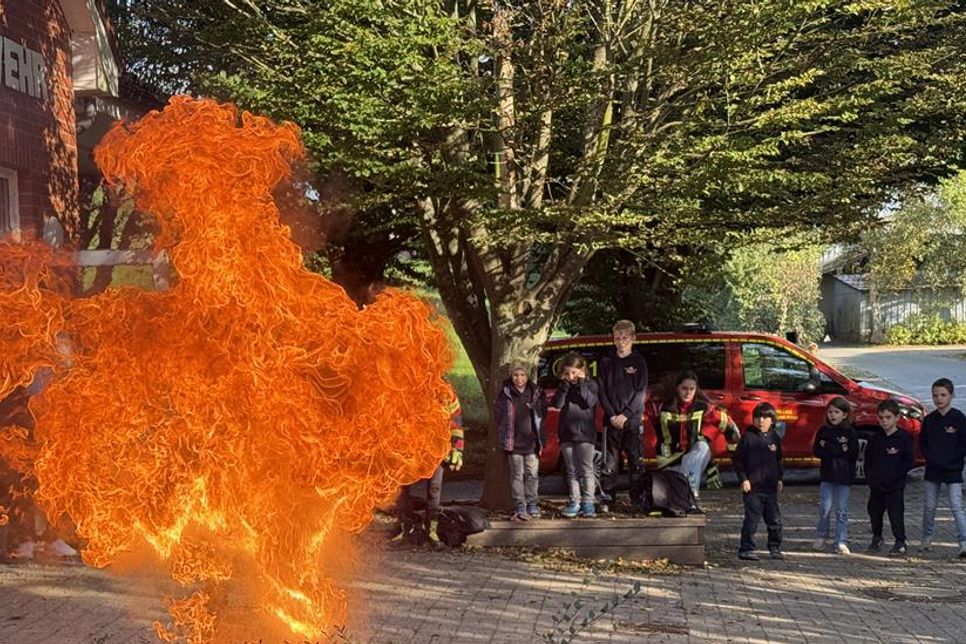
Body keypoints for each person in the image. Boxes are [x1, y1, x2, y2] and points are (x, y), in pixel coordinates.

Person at [654, 371, 738, 512]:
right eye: (684, 388)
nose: (688, 393)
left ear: (696, 389)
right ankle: (684, 497)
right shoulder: (660, 407)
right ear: (677, 388)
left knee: (702, 446)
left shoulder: (702, 407)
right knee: (670, 494)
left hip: (693, 459)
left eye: (692, 389)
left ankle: (690, 496)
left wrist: (735, 454)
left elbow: (728, 425)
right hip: (669, 462)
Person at [394, 384, 465, 547]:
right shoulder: (410, 386)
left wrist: (457, 449)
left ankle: (431, 530)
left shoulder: (447, 393)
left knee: (434, 490)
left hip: (437, 451)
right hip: (411, 450)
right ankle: (406, 527)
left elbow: (456, 423)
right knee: (403, 488)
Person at [598, 320, 648, 513]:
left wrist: (625, 415)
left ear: (633, 338)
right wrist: (612, 414)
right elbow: (601, 391)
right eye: (617, 338)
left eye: (625, 338)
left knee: (636, 462)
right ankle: (608, 499)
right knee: (609, 462)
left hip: (632, 420)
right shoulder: (606, 361)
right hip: (610, 420)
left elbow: (641, 392)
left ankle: (637, 499)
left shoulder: (639, 362)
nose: (621, 342)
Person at [919, 378, 966, 556]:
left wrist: (954, 461)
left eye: (943, 395)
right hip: (933, 469)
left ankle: (963, 542)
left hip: (953, 470)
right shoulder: (930, 420)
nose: (939, 399)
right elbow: (923, 444)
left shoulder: (959, 418)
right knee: (930, 506)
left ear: (951, 396)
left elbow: (963, 444)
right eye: (935, 395)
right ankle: (926, 538)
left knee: (956, 506)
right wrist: (931, 458)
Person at [497, 361, 546, 521]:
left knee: (532, 474)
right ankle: (520, 504)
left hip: (531, 441)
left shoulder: (536, 392)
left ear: (528, 376)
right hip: (513, 442)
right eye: (516, 375)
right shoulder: (505, 392)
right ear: (511, 376)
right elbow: (498, 414)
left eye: (523, 375)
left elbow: (543, 412)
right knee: (517, 475)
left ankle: (532, 503)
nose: (519, 379)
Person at [735, 402, 784, 561]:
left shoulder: (775, 438)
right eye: (757, 417)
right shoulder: (747, 437)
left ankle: (775, 547)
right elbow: (738, 461)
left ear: (772, 420)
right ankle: (746, 549)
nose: (760, 420)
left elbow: (778, 460)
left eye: (765, 417)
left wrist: (780, 479)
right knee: (752, 519)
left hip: (770, 488)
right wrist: (744, 479)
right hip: (753, 489)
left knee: (774, 520)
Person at [553, 352, 599, 518]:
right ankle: (575, 501)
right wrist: (565, 387)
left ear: (581, 370)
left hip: (585, 433)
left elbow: (589, 402)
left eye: (574, 372)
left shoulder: (591, 385)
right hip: (567, 433)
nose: (570, 376)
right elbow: (557, 404)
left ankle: (588, 503)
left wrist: (580, 383)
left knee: (586, 469)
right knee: (571, 470)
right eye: (567, 373)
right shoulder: (564, 386)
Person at [865, 399, 914, 556]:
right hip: (877, 485)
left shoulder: (903, 438)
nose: (884, 421)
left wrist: (897, 477)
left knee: (896, 514)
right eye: (881, 417)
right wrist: (871, 478)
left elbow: (908, 461)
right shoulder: (875, 439)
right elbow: (868, 460)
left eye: (888, 417)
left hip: (894, 486)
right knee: (874, 512)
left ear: (896, 417)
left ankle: (900, 542)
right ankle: (877, 537)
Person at [812, 396, 858, 554]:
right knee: (825, 508)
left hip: (844, 477)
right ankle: (821, 536)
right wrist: (835, 450)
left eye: (836, 412)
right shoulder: (823, 431)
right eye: (830, 411)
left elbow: (852, 453)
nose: (832, 415)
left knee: (842, 510)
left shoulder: (850, 432)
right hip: (827, 475)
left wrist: (832, 450)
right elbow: (817, 451)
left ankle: (841, 540)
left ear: (844, 414)